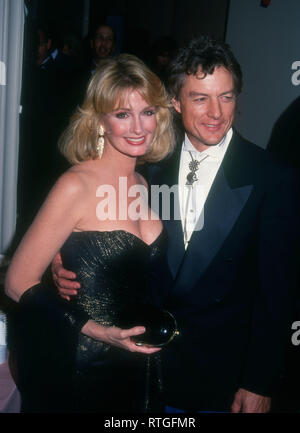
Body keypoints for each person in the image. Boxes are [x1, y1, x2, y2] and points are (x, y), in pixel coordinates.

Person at [53, 35, 300, 413]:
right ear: (174, 101)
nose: (216, 112)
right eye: (200, 98)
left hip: (222, 381)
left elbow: (277, 294)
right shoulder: (148, 169)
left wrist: (259, 382)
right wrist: (64, 259)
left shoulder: (271, 178)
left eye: (227, 96)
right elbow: (117, 246)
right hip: (141, 369)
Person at [5, 53, 175, 413]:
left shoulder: (144, 183)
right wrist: (100, 330)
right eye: (122, 114)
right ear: (100, 121)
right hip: (84, 366)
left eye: (147, 112)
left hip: (138, 365)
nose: (138, 127)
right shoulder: (75, 185)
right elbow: (17, 281)